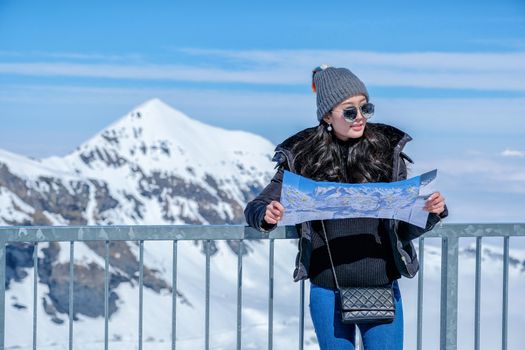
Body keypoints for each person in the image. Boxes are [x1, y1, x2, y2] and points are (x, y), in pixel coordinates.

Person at [244, 65, 448, 350]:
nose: (360, 118)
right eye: (349, 111)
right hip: (328, 288)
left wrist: (429, 212)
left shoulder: (386, 155)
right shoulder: (302, 157)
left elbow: (400, 229)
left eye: (366, 108)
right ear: (327, 115)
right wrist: (266, 215)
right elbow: (256, 206)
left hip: (382, 285)